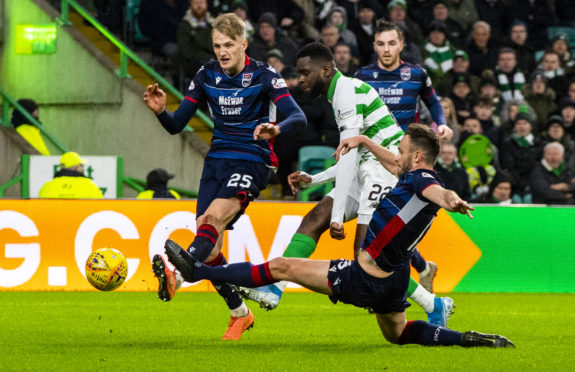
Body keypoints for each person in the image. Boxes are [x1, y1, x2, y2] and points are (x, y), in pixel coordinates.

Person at [162, 124, 514, 348]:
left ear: (417, 156)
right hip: (394, 280)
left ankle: (196, 271)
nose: (398, 155)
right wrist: (363, 140)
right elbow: (394, 163)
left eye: (404, 151)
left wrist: (453, 200)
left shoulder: (423, 181)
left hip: (364, 278)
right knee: (398, 335)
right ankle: (467, 340)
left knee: (282, 266)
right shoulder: (411, 173)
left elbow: (440, 193)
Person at [242, 40, 454, 329]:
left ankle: (433, 304)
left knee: (363, 259)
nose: (301, 79)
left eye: (305, 73)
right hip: (367, 168)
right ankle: (274, 288)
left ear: (326, 70)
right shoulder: (341, 92)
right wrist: (314, 179)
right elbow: (351, 156)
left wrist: (339, 216)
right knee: (315, 217)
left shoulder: (346, 94)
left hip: (387, 173)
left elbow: (352, 154)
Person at [143, 13, 306, 341]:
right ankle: (239, 313)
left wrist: (277, 128)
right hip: (216, 160)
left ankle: (176, 273)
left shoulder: (264, 76)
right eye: (217, 45)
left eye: (229, 44)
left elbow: (298, 117)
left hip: (253, 158)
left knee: (213, 217)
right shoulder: (206, 75)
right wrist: (162, 111)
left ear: (243, 44)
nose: (222, 51)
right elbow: (177, 126)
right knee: (210, 237)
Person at [354, 21, 453, 294]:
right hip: (375, 157)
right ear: (374, 46)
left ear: (401, 45)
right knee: (390, 222)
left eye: (391, 43)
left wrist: (440, 122)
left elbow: (432, 101)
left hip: (404, 158)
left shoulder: (416, 74)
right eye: (381, 44)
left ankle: (395, 282)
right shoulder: (362, 76)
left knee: (388, 221)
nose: (386, 49)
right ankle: (420, 269)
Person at [177, 0, 215, 81]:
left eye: (201, 2)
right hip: (194, 64)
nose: (199, 5)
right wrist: (208, 57)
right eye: (196, 3)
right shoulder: (185, 25)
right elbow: (186, 52)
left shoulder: (215, 24)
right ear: (190, 5)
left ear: (206, 5)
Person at [38, 152, 103, 199]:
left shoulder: (47, 187)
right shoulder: (91, 187)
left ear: (61, 168)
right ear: (77, 168)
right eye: (81, 165)